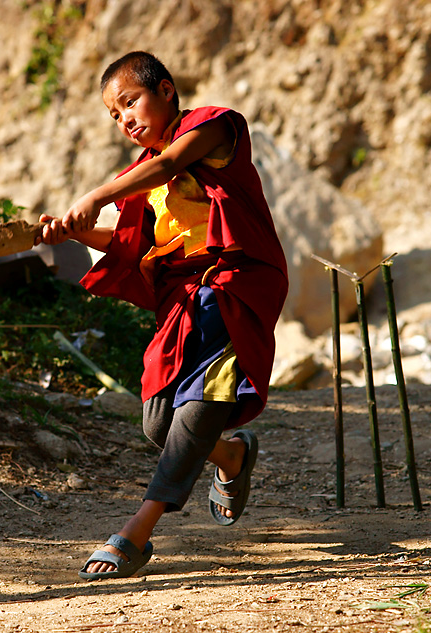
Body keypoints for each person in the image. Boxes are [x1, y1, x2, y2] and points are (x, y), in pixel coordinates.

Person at [34, 51, 288, 579]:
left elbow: (170, 163)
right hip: (181, 300)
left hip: (230, 283)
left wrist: (97, 194)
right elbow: (130, 244)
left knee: (198, 407)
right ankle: (233, 456)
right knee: (160, 422)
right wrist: (74, 231)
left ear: (167, 91)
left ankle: (137, 531)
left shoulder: (215, 128)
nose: (125, 118)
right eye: (114, 114)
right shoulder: (144, 182)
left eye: (130, 101)